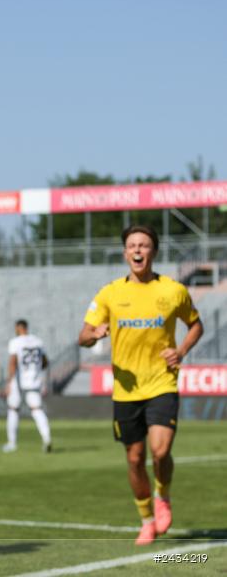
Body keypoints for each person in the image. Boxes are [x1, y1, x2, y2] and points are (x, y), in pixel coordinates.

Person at [78, 225, 203, 546]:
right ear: (125, 253)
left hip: (162, 382)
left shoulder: (173, 290)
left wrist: (182, 350)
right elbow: (83, 335)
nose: (138, 250)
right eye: (132, 245)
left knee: (161, 452)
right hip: (125, 389)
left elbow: (195, 325)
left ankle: (163, 495)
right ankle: (146, 519)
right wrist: (94, 335)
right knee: (135, 459)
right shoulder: (110, 293)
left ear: (153, 252)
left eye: (144, 245)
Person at [2, 319, 52, 453]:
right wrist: (34, 370)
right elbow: (45, 362)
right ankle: (47, 439)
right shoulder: (38, 341)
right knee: (37, 410)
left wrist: (9, 382)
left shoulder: (15, 342)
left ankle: (12, 443)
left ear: (19, 328)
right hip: (34, 380)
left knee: (13, 409)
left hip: (18, 380)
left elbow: (13, 362)